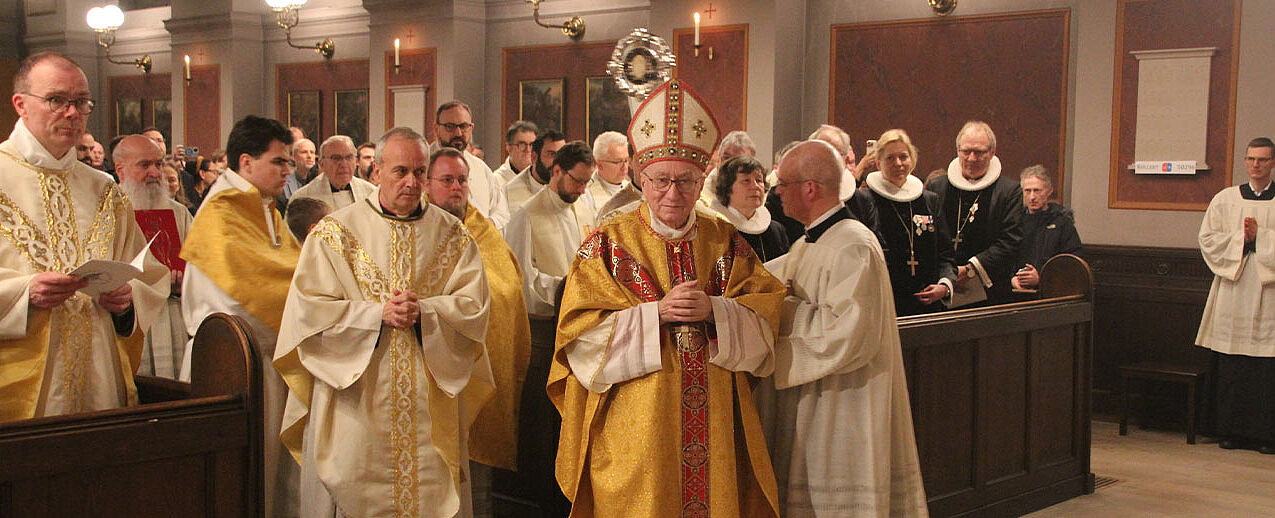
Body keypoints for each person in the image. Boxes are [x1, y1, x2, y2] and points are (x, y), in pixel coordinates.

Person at [551, 79, 785, 517]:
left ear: (703, 182)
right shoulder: (605, 243)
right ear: (641, 178)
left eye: (685, 181)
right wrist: (654, 315)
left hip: (713, 425)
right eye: (660, 180)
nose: (672, 194)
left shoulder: (725, 240)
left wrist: (717, 311)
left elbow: (767, 318)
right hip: (636, 424)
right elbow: (578, 341)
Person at [274, 127, 495, 517]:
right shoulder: (334, 233)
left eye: (420, 172)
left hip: (430, 402)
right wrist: (375, 315)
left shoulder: (454, 236)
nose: (412, 182)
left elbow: (474, 309)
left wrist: (425, 313)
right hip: (358, 400)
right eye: (400, 171)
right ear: (376, 172)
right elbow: (306, 314)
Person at [762, 139, 928, 517]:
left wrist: (779, 310)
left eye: (783, 184)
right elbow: (770, 280)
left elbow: (848, 334)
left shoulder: (853, 245)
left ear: (810, 188)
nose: (777, 193)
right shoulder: (812, 240)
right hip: (814, 399)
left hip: (844, 402)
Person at [0, 52, 169, 421]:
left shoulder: (104, 189)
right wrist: (23, 294)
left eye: (81, 102)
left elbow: (147, 274)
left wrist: (126, 301)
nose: (72, 113)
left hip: (99, 377)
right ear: (21, 105)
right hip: (18, 385)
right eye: (57, 100)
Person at [180, 115, 301, 517]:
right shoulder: (222, 212)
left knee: (274, 473)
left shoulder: (265, 207)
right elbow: (253, 290)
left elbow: (290, 269)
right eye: (279, 162)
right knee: (243, 478)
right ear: (246, 163)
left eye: (289, 163)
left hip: (272, 356)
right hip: (235, 361)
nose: (288, 170)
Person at [424, 146, 532, 510]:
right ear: (427, 184)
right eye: (447, 180)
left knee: (473, 484)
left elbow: (504, 287)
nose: (456, 188)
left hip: (475, 367)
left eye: (462, 180)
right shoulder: (415, 226)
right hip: (425, 372)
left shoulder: (481, 230)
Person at [1196, 136, 1275, 455]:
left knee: (1266, 370)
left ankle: (1267, 435)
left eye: (1263, 160)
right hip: (1234, 289)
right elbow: (1208, 240)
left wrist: (1262, 238)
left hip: (1269, 294)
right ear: (1245, 162)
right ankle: (1231, 431)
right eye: (1251, 159)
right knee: (1233, 364)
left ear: (1273, 163)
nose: (1256, 165)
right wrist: (1243, 239)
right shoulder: (1225, 199)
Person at [114, 135, 193, 379]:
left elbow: (198, 263)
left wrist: (188, 279)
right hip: (132, 319)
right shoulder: (108, 214)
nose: (154, 172)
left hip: (174, 316)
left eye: (158, 164)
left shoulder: (179, 213)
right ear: (120, 170)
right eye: (144, 165)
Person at [854, 129, 956, 316]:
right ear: (878, 163)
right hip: (883, 306)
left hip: (928, 306)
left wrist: (945, 284)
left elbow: (946, 254)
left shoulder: (929, 200)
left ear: (912, 159)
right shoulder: (865, 200)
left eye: (903, 156)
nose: (898, 163)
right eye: (890, 158)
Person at [926, 121, 1023, 307]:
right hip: (940, 287)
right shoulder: (936, 187)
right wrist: (947, 275)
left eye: (979, 152)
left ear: (992, 153)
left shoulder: (1008, 191)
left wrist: (970, 269)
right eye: (966, 151)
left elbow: (1010, 241)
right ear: (957, 151)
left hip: (989, 291)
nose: (971, 158)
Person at [434, 100, 510, 229]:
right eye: (450, 127)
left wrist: (483, 227)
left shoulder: (481, 168)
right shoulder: (422, 166)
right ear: (436, 129)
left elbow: (502, 212)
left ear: (471, 128)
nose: (458, 133)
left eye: (463, 126)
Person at [1011, 165, 1081, 295]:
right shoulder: (1013, 221)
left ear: (1049, 191)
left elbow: (1072, 262)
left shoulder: (1062, 223)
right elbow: (1004, 256)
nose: (1032, 197)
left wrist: (1041, 278)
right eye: (1027, 191)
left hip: (1051, 293)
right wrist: (1012, 279)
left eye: (1037, 191)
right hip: (1015, 292)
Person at [710, 155, 789, 261]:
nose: (755, 186)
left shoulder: (776, 231)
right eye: (746, 180)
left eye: (759, 180)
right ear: (727, 188)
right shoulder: (714, 230)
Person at [287, 135, 376, 212]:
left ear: (356, 161)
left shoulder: (370, 193)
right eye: (336, 158)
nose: (344, 164)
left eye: (349, 157)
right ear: (322, 164)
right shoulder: (303, 198)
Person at [505, 129, 566, 214]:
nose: (558, 162)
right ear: (534, 157)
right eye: (551, 154)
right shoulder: (508, 194)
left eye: (562, 155)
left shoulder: (574, 188)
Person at [587, 131, 630, 215]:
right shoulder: (586, 193)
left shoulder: (632, 189)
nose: (624, 167)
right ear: (599, 165)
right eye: (618, 162)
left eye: (626, 160)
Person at [280, 137, 317, 202]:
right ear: (294, 156)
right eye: (304, 152)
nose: (309, 156)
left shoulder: (319, 181)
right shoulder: (284, 183)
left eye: (312, 152)